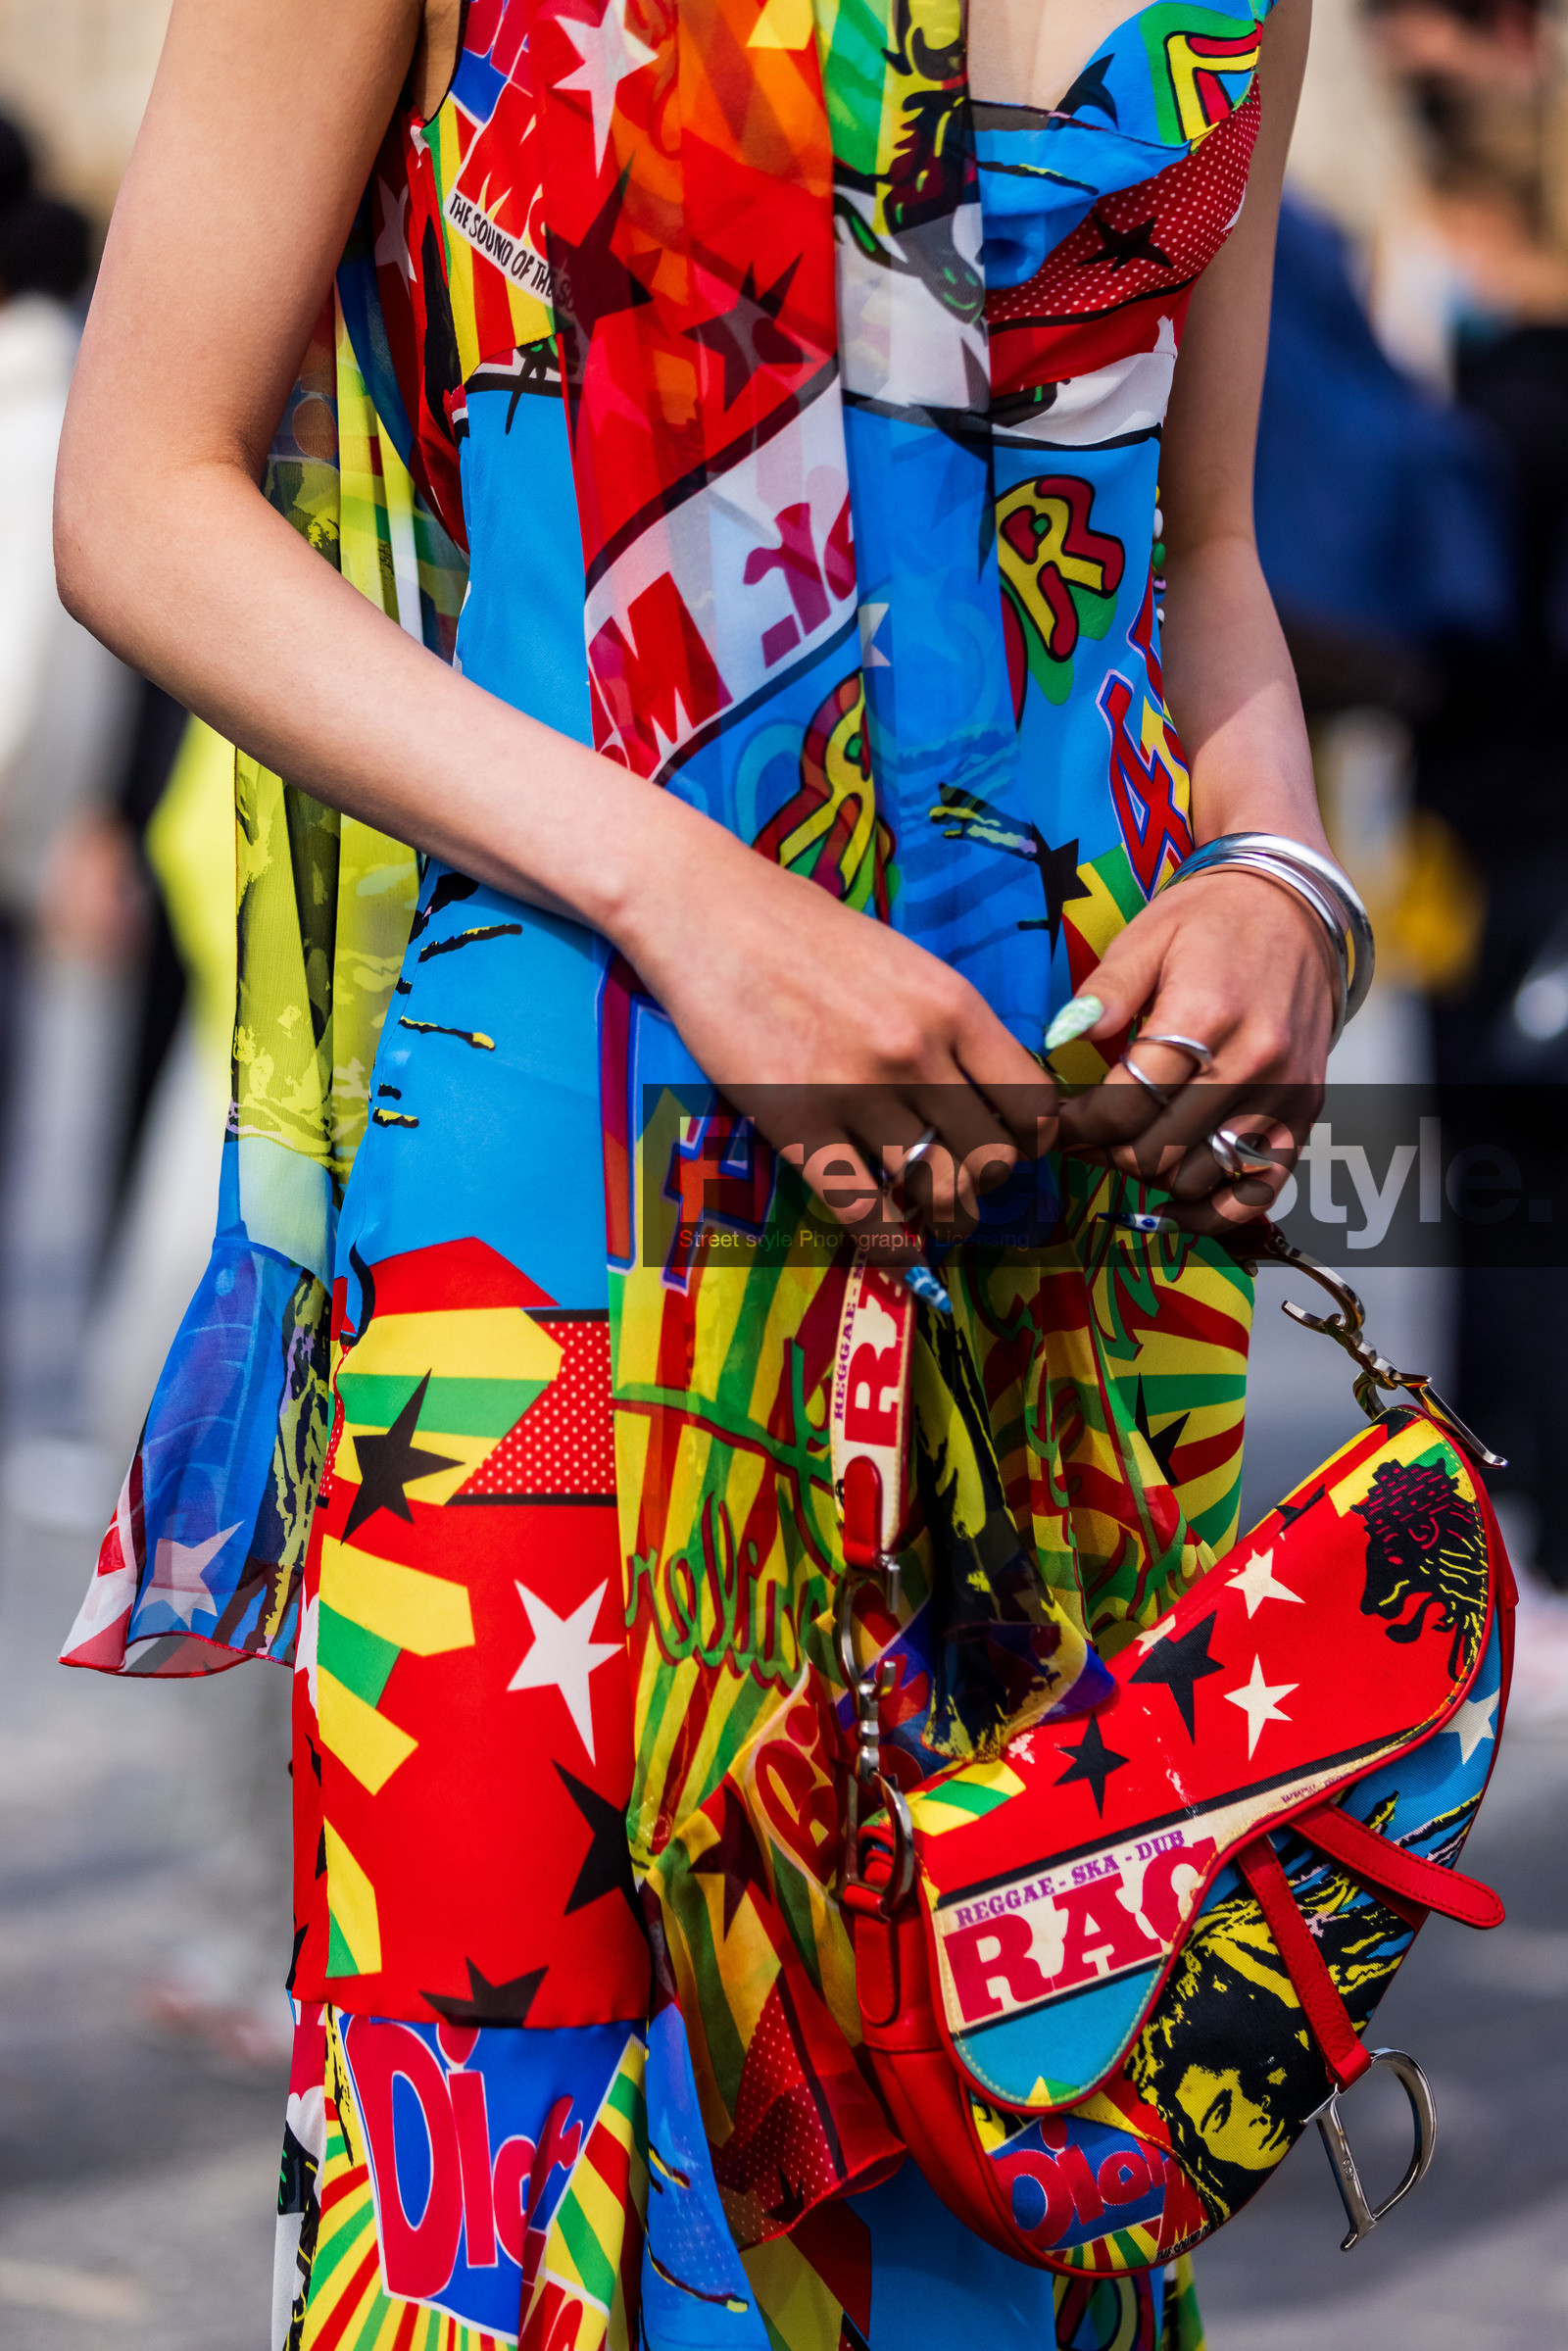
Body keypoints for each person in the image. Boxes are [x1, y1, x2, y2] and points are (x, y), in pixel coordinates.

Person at [54, 0, 1350, 2343]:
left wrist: (1278, 873)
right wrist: (687, 897)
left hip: (1074, 1219)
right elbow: (142, 494)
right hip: (561, 1160)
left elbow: (1203, 543)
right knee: (505, 2157)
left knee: (1008, 2133)